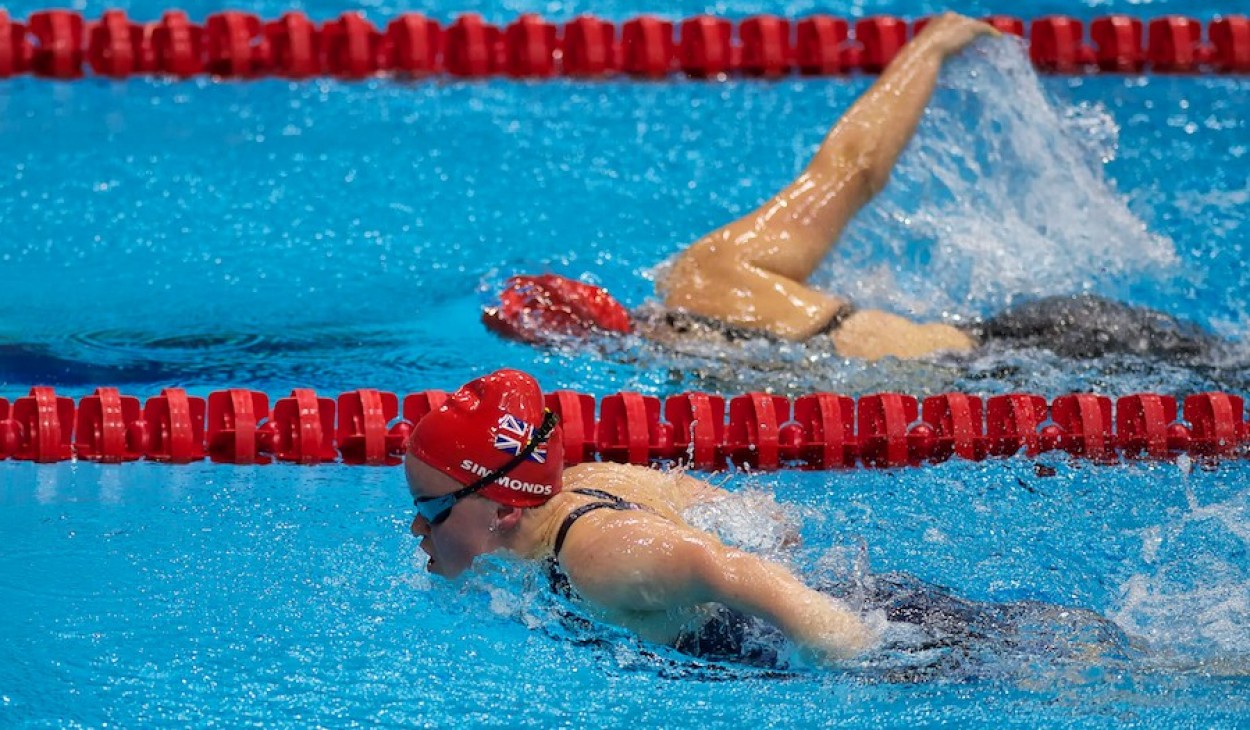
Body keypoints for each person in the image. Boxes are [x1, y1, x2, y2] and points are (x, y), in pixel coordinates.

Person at [482, 13, 1227, 364]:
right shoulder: (681, 365)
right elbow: (848, 173)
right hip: (1004, 373)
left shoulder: (705, 279)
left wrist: (930, 46)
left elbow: (851, 170)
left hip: (1042, 348)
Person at [406, 368, 1134, 671]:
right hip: (880, 597)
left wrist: (852, 658)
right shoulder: (587, 485)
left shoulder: (597, 557)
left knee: (1070, 671)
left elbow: (735, 566)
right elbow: (758, 520)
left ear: (501, 509)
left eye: (430, 511)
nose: (418, 533)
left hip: (882, 642)